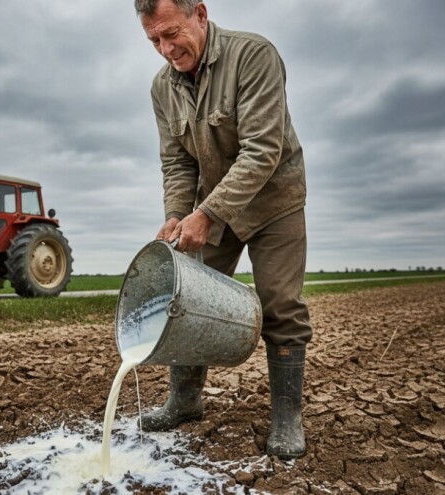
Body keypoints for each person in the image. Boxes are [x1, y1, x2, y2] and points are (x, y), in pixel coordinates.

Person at [134, 0, 313, 460]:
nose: (166, 49)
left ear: (200, 13)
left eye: (172, 33)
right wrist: (177, 214)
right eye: (154, 40)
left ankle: (286, 417)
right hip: (215, 206)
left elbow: (262, 150)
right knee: (186, 298)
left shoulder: (254, 56)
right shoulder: (162, 88)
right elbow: (176, 161)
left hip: (274, 200)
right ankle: (185, 400)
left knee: (280, 304)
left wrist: (207, 214)